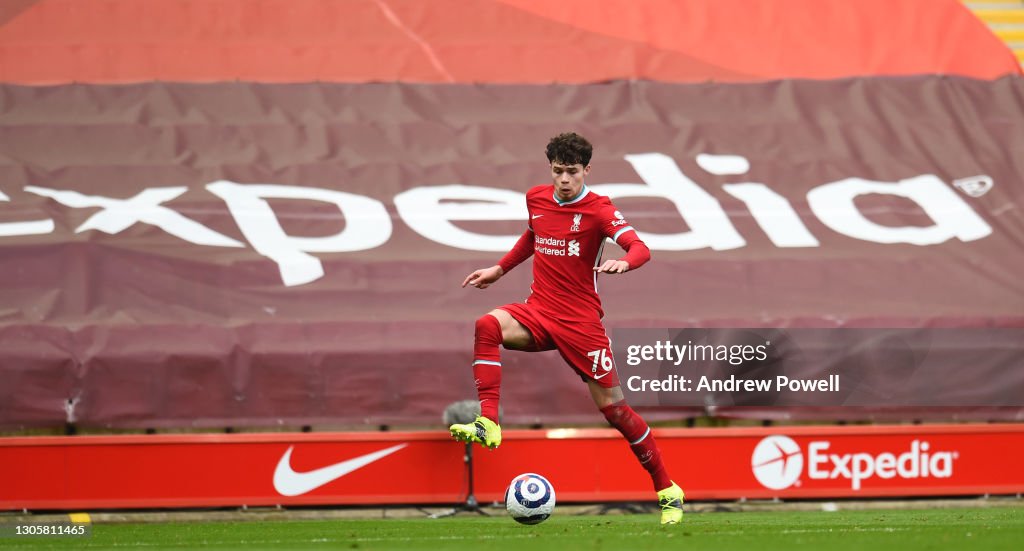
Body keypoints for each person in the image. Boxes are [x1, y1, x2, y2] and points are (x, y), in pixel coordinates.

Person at [449, 132, 684, 525]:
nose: (563, 180)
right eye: (558, 171)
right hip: (539, 310)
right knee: (486, 324)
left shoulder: (599, 210)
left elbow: (640, 247)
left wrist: (625, 263)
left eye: (572, 172)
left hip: (581, 324)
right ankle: (488, 420)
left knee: (616, 411)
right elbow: (532, 236)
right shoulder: (536, 198)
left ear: (586, 170)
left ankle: (667, 490)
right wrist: (499, 269)